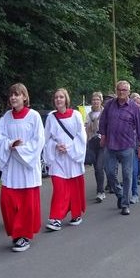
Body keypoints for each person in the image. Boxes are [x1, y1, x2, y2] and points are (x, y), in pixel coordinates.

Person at [0, 83, 45, 252]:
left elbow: (38, 141)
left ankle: (22, 236)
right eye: (11, 95)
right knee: (7, 201)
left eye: (17, 94)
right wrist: (9, 144)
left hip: (26, 167)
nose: (13, 97)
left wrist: (21, 149)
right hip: (11, 165)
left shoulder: (34, 116)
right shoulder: (6, 117)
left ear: (24, 97)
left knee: (26, 204)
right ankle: (16, 232)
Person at [99, 80, 140, 215]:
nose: (121, 92)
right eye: (119, 89)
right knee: (109, 173)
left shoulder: (134, 108)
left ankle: (125, 204)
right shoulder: (109, 105)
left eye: (124, 90)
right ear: (116, 90)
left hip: (127, 146)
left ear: (129, 92)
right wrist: (103, 135)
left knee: (127, 175)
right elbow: (103, 121)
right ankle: (119, 193)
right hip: (111, 145)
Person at [44, 88, 86, 231]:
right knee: (59, 187)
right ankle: (55, 218)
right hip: (57, 158)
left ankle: (76, 214)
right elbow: (46, 138)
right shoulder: (51, 117)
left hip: (72, 157)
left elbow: (81, 136)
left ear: (66, 99)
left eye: (61, 97)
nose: (58, 99)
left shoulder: (75, 115)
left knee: (74, 187)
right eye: (56, 97)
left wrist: (68, 148)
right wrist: (56, 146)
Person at [85, 91, 106, 203]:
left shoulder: (104, 113)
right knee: (96, 168)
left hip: (103, 142)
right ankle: (101, 189)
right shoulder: (89, 115)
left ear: (101, 101)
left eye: (97, 99)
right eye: (94, 100)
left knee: (99, 167)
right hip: (92, 142)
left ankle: (101, 191)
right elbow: (86, 130)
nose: (95, 101)